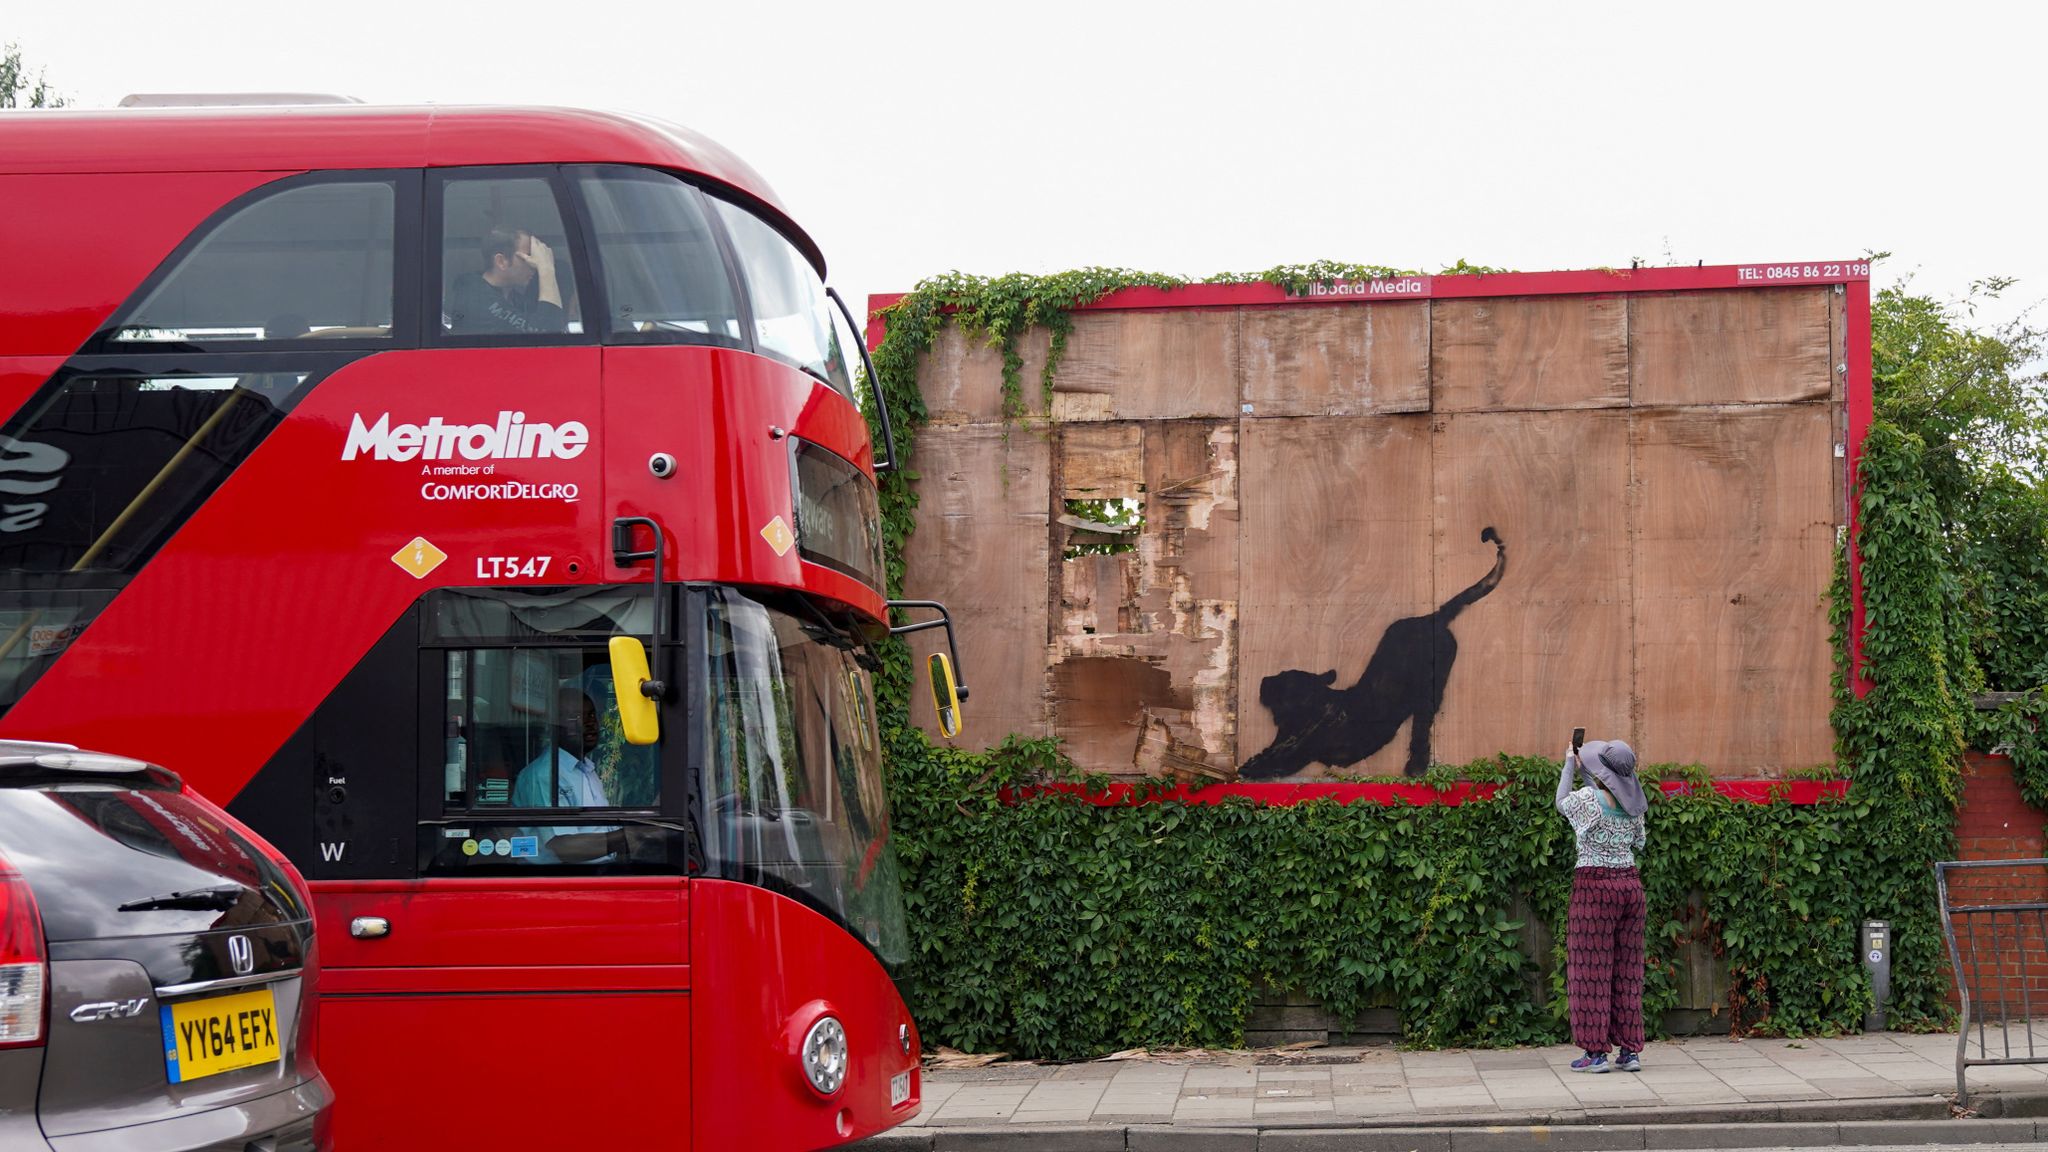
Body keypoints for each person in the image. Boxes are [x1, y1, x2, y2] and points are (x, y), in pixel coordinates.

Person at [1556, 738, 1649, 1074]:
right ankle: (1629, 1051)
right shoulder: (1634, 804)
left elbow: (1563, 802)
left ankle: (1596, 1054)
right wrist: (1588, 776)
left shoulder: (1588, 801)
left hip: (1595, 888)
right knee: (1628, 970)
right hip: (1630, 887)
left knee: (1590, 970)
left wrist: (1570, 763)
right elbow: (1637, 840)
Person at [511, 680, 626, 864]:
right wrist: (627, 838)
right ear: (556, 725)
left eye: (591, 715)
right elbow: (564, 848)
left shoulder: (587, 770)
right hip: (558, 882)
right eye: (576, 717)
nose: (590, 724)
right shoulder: (545, 774)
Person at [444, 228, 567, 335]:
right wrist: (546, 268)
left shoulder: (513, 298)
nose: (534, 265)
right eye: (528, 257)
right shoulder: (476, 300)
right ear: (501, 261)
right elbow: (549, 335)